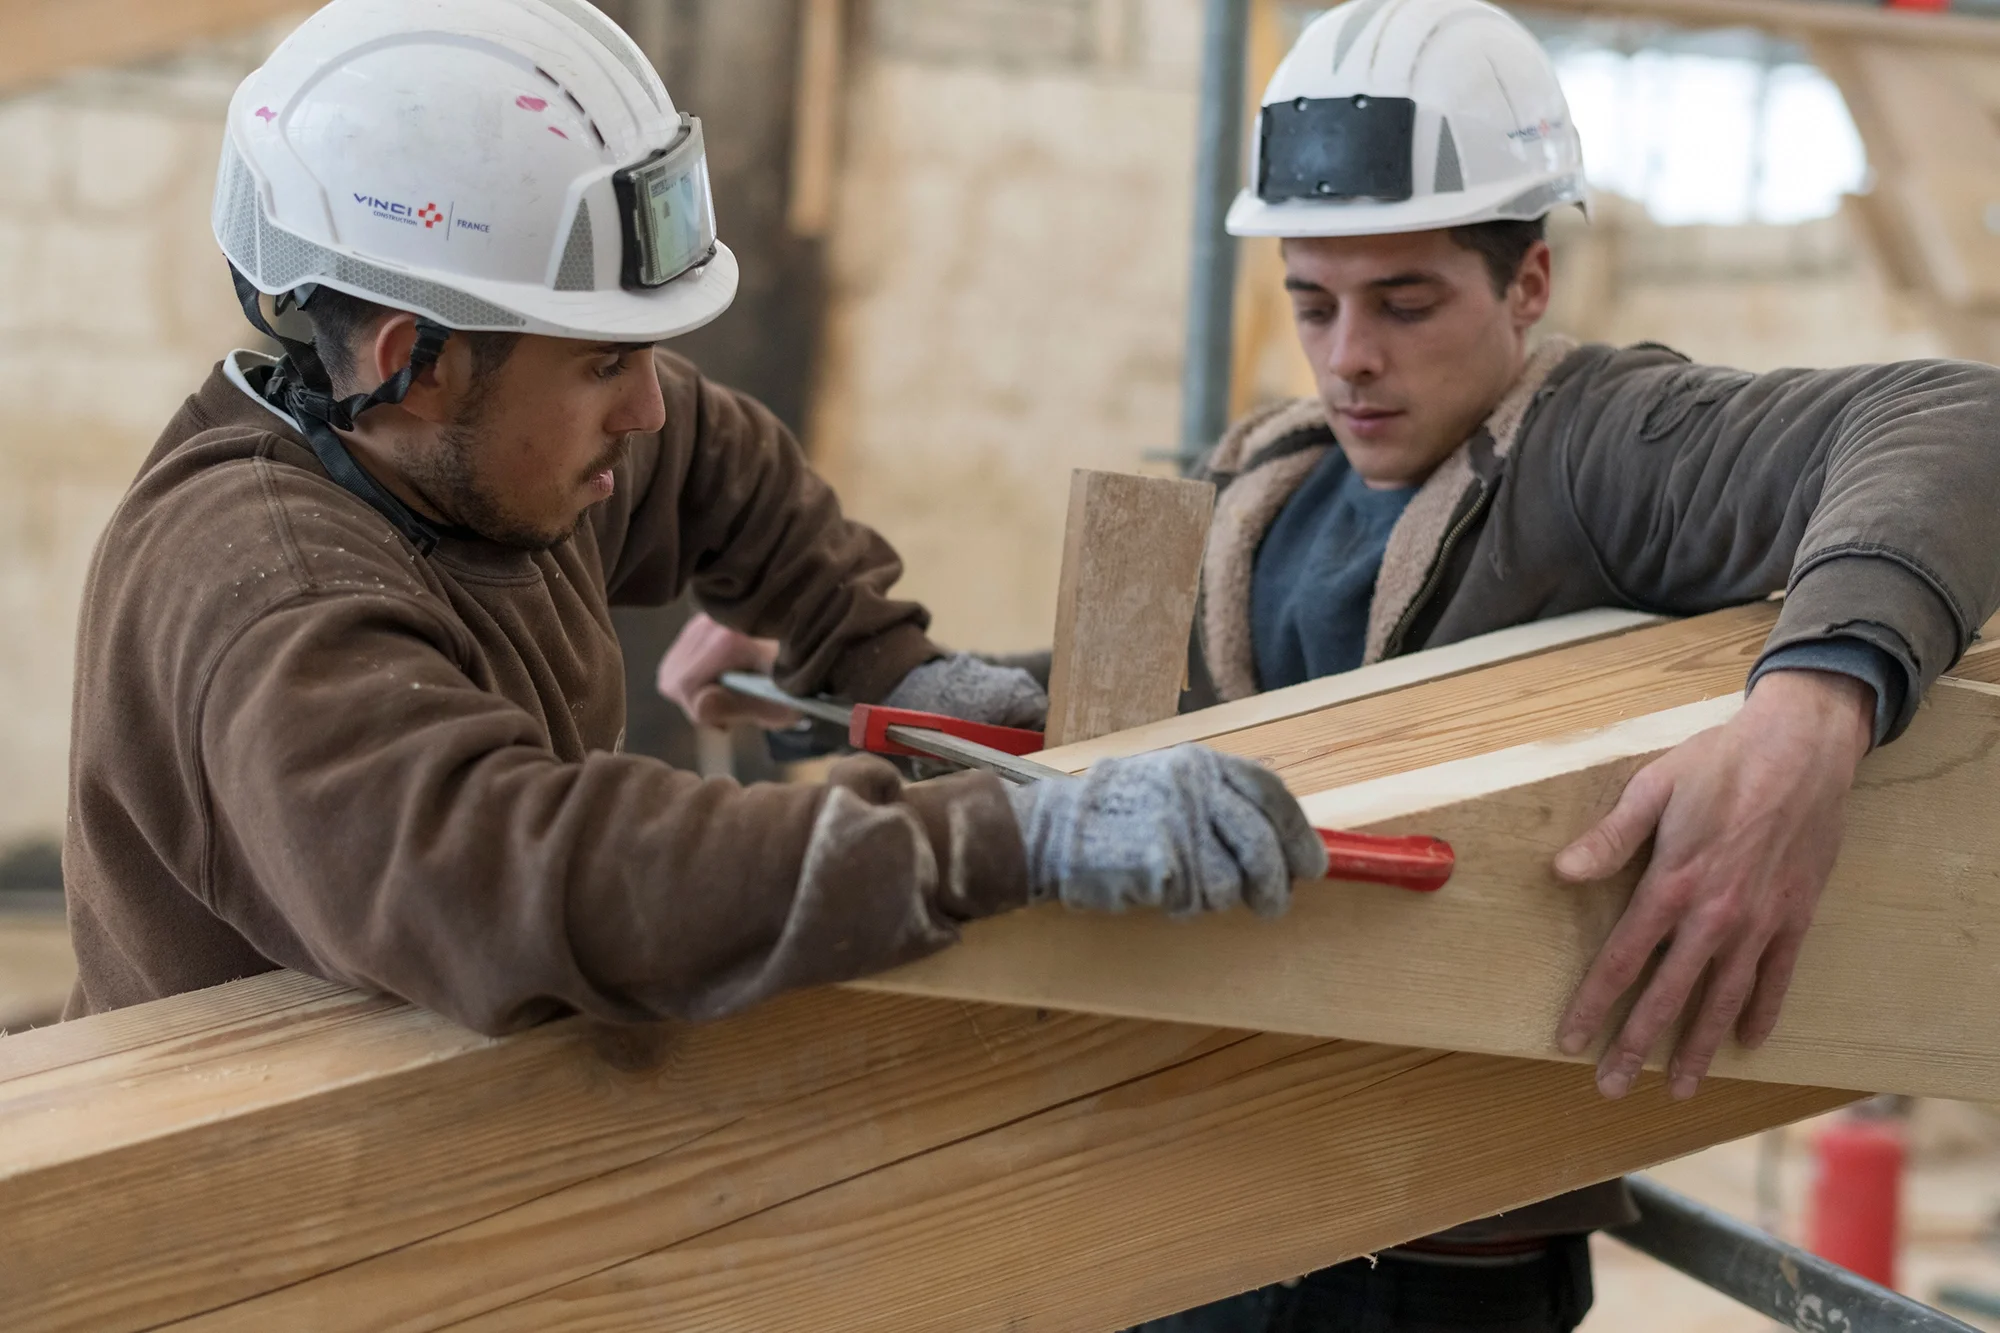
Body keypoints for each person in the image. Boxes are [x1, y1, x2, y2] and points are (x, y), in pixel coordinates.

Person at [663, 1, 2000, 1328]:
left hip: (1438, 1259)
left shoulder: (1604, 447)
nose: (1350, 356)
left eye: (1406, 303)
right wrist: (841, 686)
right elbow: (1137, 715)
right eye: (1313, 303)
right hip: (1191, 1197)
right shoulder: (1262, 478)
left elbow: (1960, 419)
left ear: (1527, 281)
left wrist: (1808, 721)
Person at [60, 0, 1330, 1035]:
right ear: (414, 355)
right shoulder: (265, 599)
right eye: (604, 365)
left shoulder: (466, 451)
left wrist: (881, 659)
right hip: (254, 1237)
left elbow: (712, 460)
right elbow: (535, 879)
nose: (648, 410)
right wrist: (1002, 838)